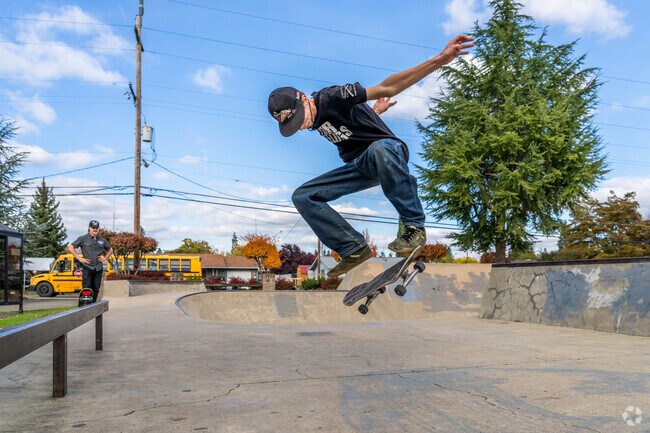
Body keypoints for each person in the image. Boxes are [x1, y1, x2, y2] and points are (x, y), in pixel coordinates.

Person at [268, 35, 474, 277]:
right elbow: (356, 125)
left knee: (379, 149)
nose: (301, 127)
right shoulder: (314, 121)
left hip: (389, 152)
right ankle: (352, 247)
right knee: (302, 196)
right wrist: (376, 113)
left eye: (298, 120)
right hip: (360, 166)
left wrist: (440, 59)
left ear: (303, 98)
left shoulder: (333, 96)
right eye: (293, 126)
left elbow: (388, 88)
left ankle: (413, 225)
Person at [67, 220, 113, 302]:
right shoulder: (83, 238)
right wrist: (79, 258)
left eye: (96, 228)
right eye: (93, 228)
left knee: (96, 289)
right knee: (87, 289)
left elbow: (110, 250)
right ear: (89, 228)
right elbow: (70, 247)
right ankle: (85, 306)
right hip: (87, 268)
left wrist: (105, 258)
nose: (95, 229)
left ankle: (93, 305)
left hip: (98, 269)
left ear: (99, 229)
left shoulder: (102, 240)